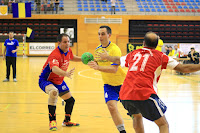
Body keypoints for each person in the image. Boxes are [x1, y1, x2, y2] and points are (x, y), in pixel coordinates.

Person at [96, 31, 200, 133]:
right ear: (156, 45)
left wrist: (107, 57)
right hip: (144, 94)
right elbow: (184, 68)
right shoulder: (161, 56)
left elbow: (118, 60)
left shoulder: (134, 53)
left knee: (137, 116)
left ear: (143, 43)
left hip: (125, 94)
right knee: (163, 124)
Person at [88, 26, 127, 133]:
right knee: (111, 107)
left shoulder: (115, 49)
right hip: (108, 84)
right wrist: (93, 63)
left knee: (132, 110)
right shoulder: (97, 49)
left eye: (103, 34)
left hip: (122, 83)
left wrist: (98, 67)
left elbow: (114, 69)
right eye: (99, 34)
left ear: (109, 35)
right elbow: (99, 63)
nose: (100, 36)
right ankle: (122, 131)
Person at [39, 34, 81, 131]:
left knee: (70, 101)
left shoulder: (68, 50)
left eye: (68, 42)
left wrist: (83, 60)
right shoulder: (55, 54)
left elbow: (72, 57)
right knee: (54, 93)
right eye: (65, 42)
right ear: (59, 43)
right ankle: (52, 121)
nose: (67, 44)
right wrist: (65, 73)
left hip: (59, 81)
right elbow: (54, 68)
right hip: (46, 80)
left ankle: (66, 121)